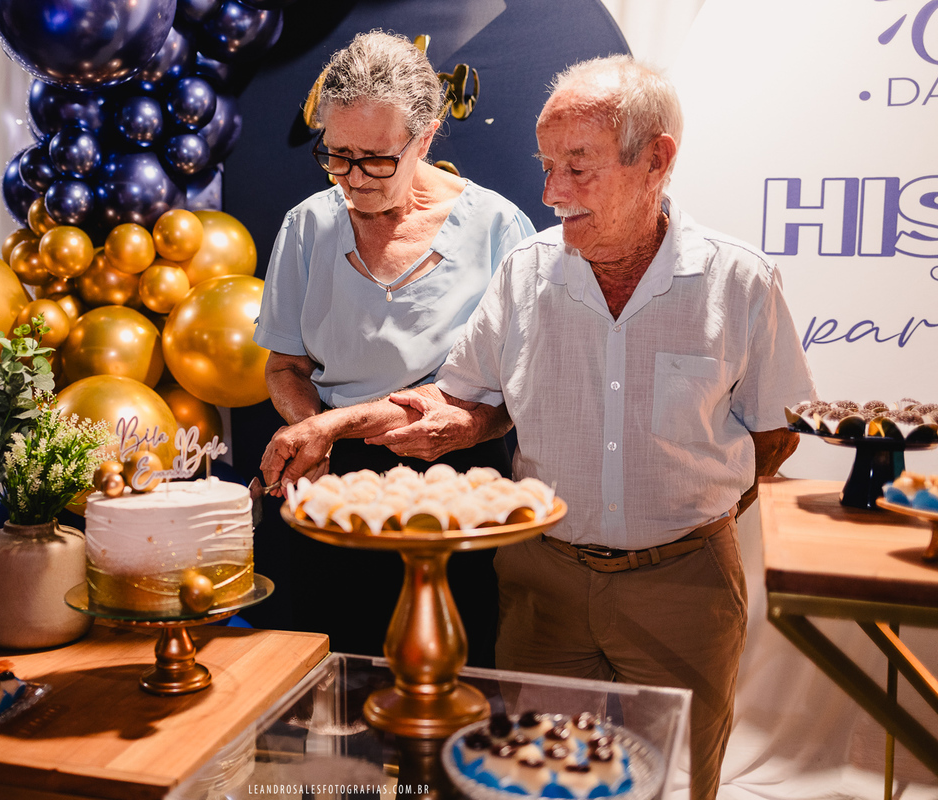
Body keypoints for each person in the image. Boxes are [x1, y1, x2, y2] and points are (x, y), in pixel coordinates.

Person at [262, 54, 816, 800]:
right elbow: (456, 401)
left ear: (657, 161)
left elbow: (776, 436)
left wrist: (692, 518)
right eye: (546, 167)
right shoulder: (526, 272)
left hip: (683, 585)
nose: (551, 193)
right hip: (542, 584)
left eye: (576, 169)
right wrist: (336, 426)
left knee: (678, 779)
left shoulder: (737, 282)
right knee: (526, 778)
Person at [254, 30, 535, 666]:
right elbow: (285, 367)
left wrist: (472, 426)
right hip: (336, 479)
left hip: (459, 481)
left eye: (377, 160)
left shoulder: (498, 227)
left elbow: (525, 389)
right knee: (340, 680)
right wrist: (314, 431)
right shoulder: (307, 225)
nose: (353, 179)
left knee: (458, 675)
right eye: (336, 155)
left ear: (426, 137)